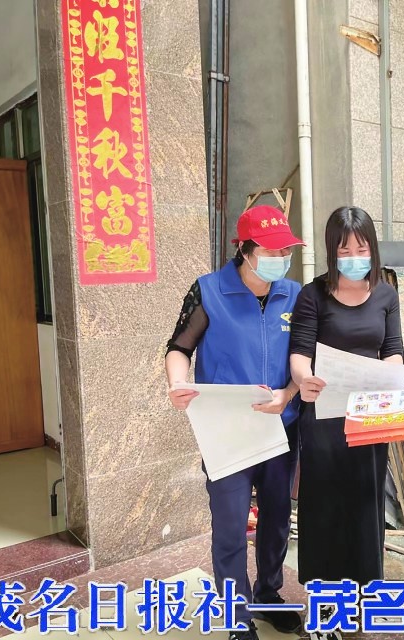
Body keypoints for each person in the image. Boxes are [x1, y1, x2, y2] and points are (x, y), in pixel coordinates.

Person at [165, 205, 304, 640]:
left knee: (276, 520)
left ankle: (268, 594)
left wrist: (289, 394)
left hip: (281, 427)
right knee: (230, 526)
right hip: (226, 432)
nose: (281, 258)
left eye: (286, 250)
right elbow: (179, 347)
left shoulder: (295, 295)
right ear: (244, 250)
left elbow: (305, 360)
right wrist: (177, 383)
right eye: (271, 250)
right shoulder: (210, 291)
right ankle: (236, 616)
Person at [289, 206, 404, 640]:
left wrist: (391, 374)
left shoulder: (386, 294)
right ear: (331, 251)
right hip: (323, 416)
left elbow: (394, 349)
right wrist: (304, 379)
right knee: (325, 509)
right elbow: (300, 353)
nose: (354, 257)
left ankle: (359, 600)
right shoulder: (313, 295)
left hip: (369, 416)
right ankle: (323, 604)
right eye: (344, 250)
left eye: (361, 248)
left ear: (372, 248)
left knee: (364, 506)